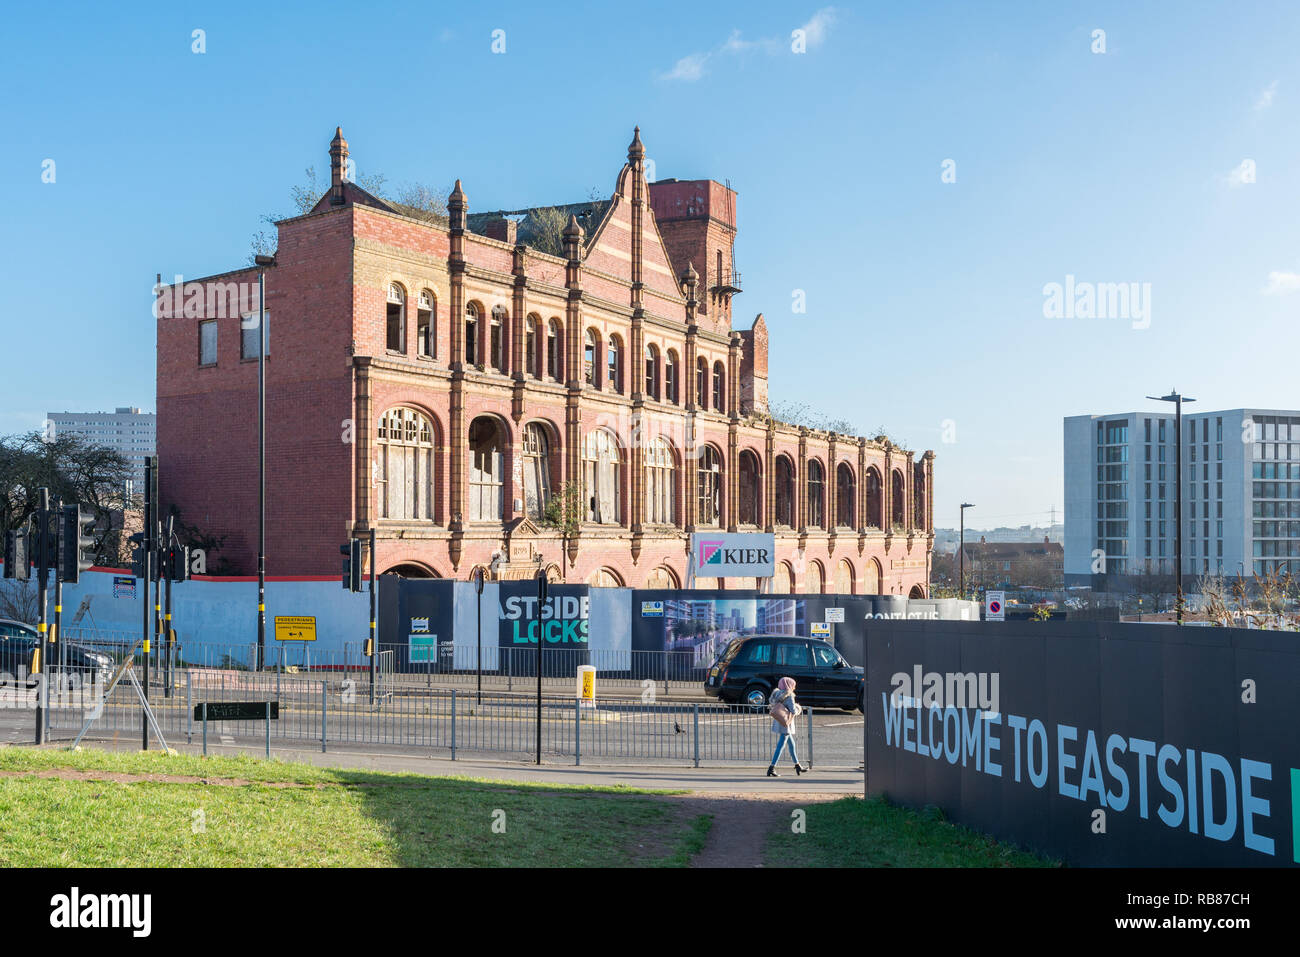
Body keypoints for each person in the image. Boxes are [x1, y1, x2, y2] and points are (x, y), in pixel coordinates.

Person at [767, 676, 808, 777]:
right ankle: (771, 767)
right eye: (793, 685)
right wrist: (799, 707)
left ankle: (797, 765)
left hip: (779, 721)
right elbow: (793, 711)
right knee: (781, 746)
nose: (794, 687)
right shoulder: (789, 695)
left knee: (791, 744)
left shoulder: (776, 694)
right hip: (786, 723)